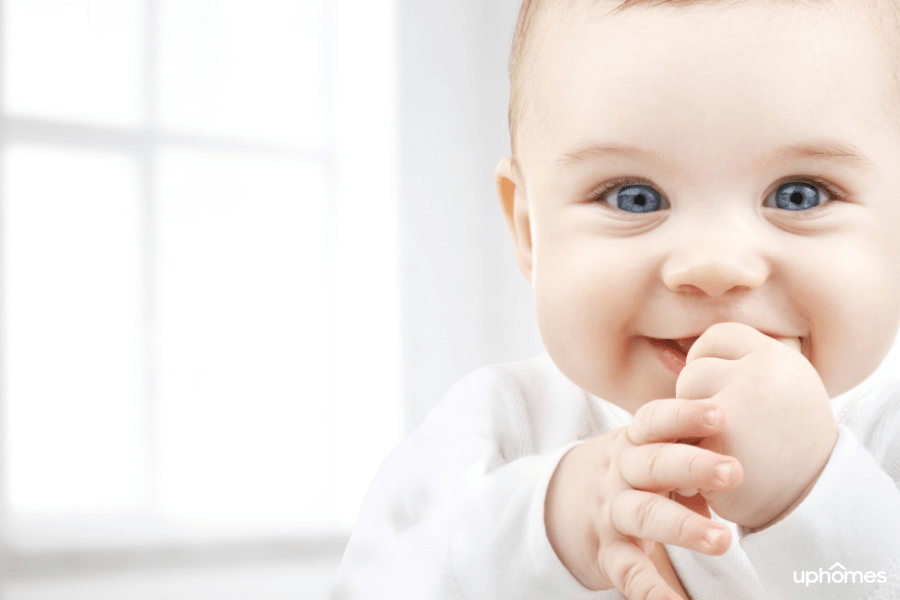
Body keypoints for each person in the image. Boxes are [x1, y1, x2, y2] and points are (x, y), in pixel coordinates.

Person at [321, 0, 900, 598]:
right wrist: (548, 526)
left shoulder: (886, 437)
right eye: (634, 198)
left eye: (799, 195)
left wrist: (813, 495)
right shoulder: (501, 428)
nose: (713, 266)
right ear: (528, 230)